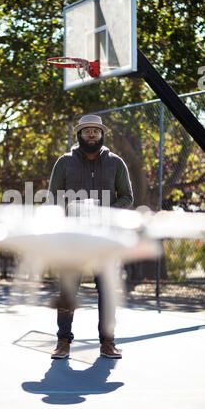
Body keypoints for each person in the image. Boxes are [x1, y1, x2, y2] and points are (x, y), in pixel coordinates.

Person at [48, 114, 133, 359]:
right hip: (72, 237)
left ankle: (108, 342)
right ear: (80, 135)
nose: (92, 135)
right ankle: (63, 341)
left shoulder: (116, 162)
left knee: (106, 290)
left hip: (103, 237)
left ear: (102, 134)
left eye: (96, 131)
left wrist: (105, 213)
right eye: (87, 131)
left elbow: (127, 196)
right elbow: (53, 197)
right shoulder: (64, 162)